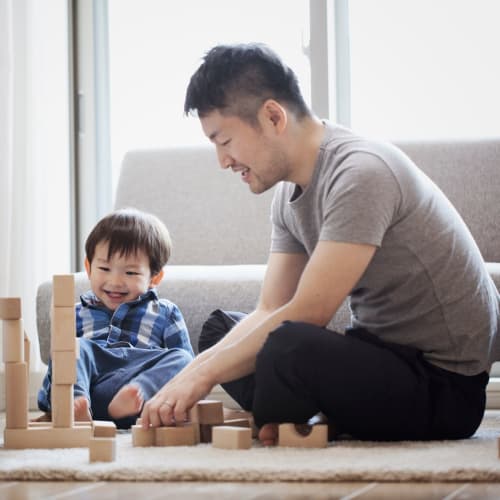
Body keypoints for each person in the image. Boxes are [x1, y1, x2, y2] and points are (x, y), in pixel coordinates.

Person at [141, 43, 499, 443]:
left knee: (288, 346)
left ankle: (296, 412)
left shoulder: (360, 172)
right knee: (220, 330)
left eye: (224, 142)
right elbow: (271, 307)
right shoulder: (287, 194)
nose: (223, 161)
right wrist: (188, 375)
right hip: (379, 356)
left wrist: (205, 375)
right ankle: (301, 413)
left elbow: (310, 312)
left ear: (273, 116)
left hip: (443, 386)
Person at [37, 208, 194, 428]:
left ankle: (138, 391)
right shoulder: (74, 312)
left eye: (130, 273)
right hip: (92, 392)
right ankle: (74, 404)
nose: (116, 281)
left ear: (154, 277)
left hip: (137, 397)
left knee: (184, 359)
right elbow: (60, 363)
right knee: (72, 348)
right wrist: (50, 401)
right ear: (88, 268)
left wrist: (147, 390)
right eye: (104, 268)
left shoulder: (165, 312)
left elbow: (186, 372)